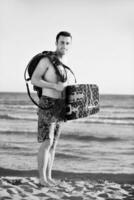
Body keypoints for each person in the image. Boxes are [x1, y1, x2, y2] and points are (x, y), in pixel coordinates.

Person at [31, 31, 72, 186]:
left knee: (54, 144)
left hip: (60, 105)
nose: (64, 46)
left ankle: (49, 177)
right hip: (47, 103)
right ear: (56, 43)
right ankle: (42, 179)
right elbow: (35, 79)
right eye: (62, 42)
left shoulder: (65, 61)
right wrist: (53, 85)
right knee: (47, 142)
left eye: (67, 43)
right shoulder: (46, 61)